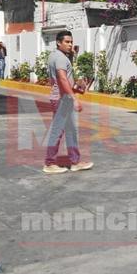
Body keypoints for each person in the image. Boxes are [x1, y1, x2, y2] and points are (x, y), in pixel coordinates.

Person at [44, 30, 94, 174]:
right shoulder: (60, 58)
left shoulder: (55, 56)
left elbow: (64, 80)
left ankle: (74, 162)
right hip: (63, 100)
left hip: (60, 97)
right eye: (67, 42)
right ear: (58, 43)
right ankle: (50, 163)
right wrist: (74, 98)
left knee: (69, 131)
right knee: (58, 132)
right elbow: (62, 79)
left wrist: (77, 89)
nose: (70, 44)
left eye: (71, 42)